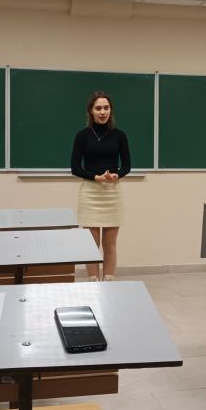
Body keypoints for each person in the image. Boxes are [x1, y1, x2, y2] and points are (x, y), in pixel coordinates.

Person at [71, 91, 131, 281]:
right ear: (91, 111)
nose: (102, 112)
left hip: (112, 193)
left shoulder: (119, 135)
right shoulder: (82, 136)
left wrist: (116, 175)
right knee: (92, 245)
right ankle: (93, 284)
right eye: (98, 108)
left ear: (111, 110)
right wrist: (96, 177)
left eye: (106, 108)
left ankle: (108, 283)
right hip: (90, 193)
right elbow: (75, 168)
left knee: (110, 245)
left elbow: (127, 166)